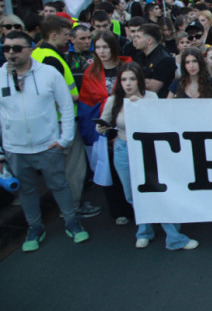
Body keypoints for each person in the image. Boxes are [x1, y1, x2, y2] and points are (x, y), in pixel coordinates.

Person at [0, 31, 90, 252]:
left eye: (17, 48)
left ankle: (71, 221)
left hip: (48, 145)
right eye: (6, 48)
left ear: (30, 49)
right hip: (15, 148)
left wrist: (65, 139)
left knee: (60, 185)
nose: (11, 53)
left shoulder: (49, 74)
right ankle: (34, 227)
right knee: (27, 191)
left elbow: (66, 107)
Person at [98, 63, 199, 250]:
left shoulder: (151, 97)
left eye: (132, 79)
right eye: (124, 80)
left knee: (156, 193)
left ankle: (174, 236)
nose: (128, 84)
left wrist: (142, 107)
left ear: (139, 80)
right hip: (122, 149)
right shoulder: (113, 101)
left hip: (148, 150)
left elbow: (160, 123)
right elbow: (102, 125)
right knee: (132, 195)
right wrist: (104, 128)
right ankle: (144, 230)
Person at [32, 16, 100, 219]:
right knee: (74, 168)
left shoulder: (38, 53)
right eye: (66, 35)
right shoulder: (51, 58)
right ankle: (74, 207)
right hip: (64, 119)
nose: (68, 38)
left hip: (54, 119)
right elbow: (54, 92)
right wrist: (81, 97)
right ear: (53, 35)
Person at [77, 31, 133, 226]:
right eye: (98, 47)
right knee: (111, 170)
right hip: (103, 128)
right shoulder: (90, 73)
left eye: (105, 47)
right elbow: (86, 105)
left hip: (127, 124)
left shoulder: (127, 67)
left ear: (113, 48)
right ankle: (119, 210)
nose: (101, 51)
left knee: (131, 169)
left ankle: (137, 207)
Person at [132, 23, 176, 98]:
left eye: (138, 37)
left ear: (149, 41)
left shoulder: (165, 60)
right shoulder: (139, 56)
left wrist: (136, 80)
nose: (135, 40)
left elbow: (152, 89)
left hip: (159, 103)